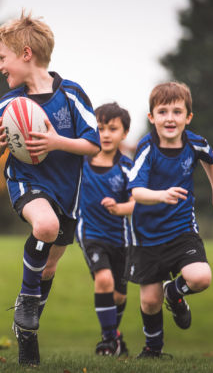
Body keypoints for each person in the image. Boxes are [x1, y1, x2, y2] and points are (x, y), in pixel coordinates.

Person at [0, 11, 100, 366]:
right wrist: (1, 142)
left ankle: (26, 334)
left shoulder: (72, 93)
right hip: (26, 183)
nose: (0, 67)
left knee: (48, 268)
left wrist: (55, 141)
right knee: (44, 227)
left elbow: (92, 144)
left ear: (27, 53)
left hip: (69, 194)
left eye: (3, 58)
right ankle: (27, 300)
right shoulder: (8, 105)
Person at [127, 81, 213, 358]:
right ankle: (153, 350)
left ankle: (174, 293)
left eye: (176, 111)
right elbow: (135, 191)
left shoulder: (195, 142)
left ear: (188, 117)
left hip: (181, 230)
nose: (170, 118)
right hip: (146, 237)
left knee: (201, 277)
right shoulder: (147, 148)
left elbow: (211, 158)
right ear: (152, 118)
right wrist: (160, 195)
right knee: (150, 302)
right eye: (162, 112)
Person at [76, 102, 134, 357]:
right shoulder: (81, 163)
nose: (106, 134)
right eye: (100, 128)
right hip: (91, 233)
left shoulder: (127, 167)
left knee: (119, 296)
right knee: (104, 280)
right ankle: (108, 341)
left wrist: (121, 207)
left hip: (121, 238)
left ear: (124, 133)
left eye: (112, 128)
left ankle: (115, 337)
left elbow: (137, 202)